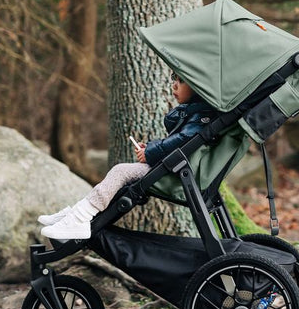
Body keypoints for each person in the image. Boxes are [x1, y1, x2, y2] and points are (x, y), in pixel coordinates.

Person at [39, 72, 219, 240]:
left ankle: (79, 218)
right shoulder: (199, 113)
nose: (174, 85)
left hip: (179, 174)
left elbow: (183, 140)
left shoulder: (202, 115)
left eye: (181, 81)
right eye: (174, 79)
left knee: (121, 171)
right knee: (119, 178)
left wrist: (150, 152)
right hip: (176, 168)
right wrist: (150, 148)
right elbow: (182, 142)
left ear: (198, 87)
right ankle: (76, 214)